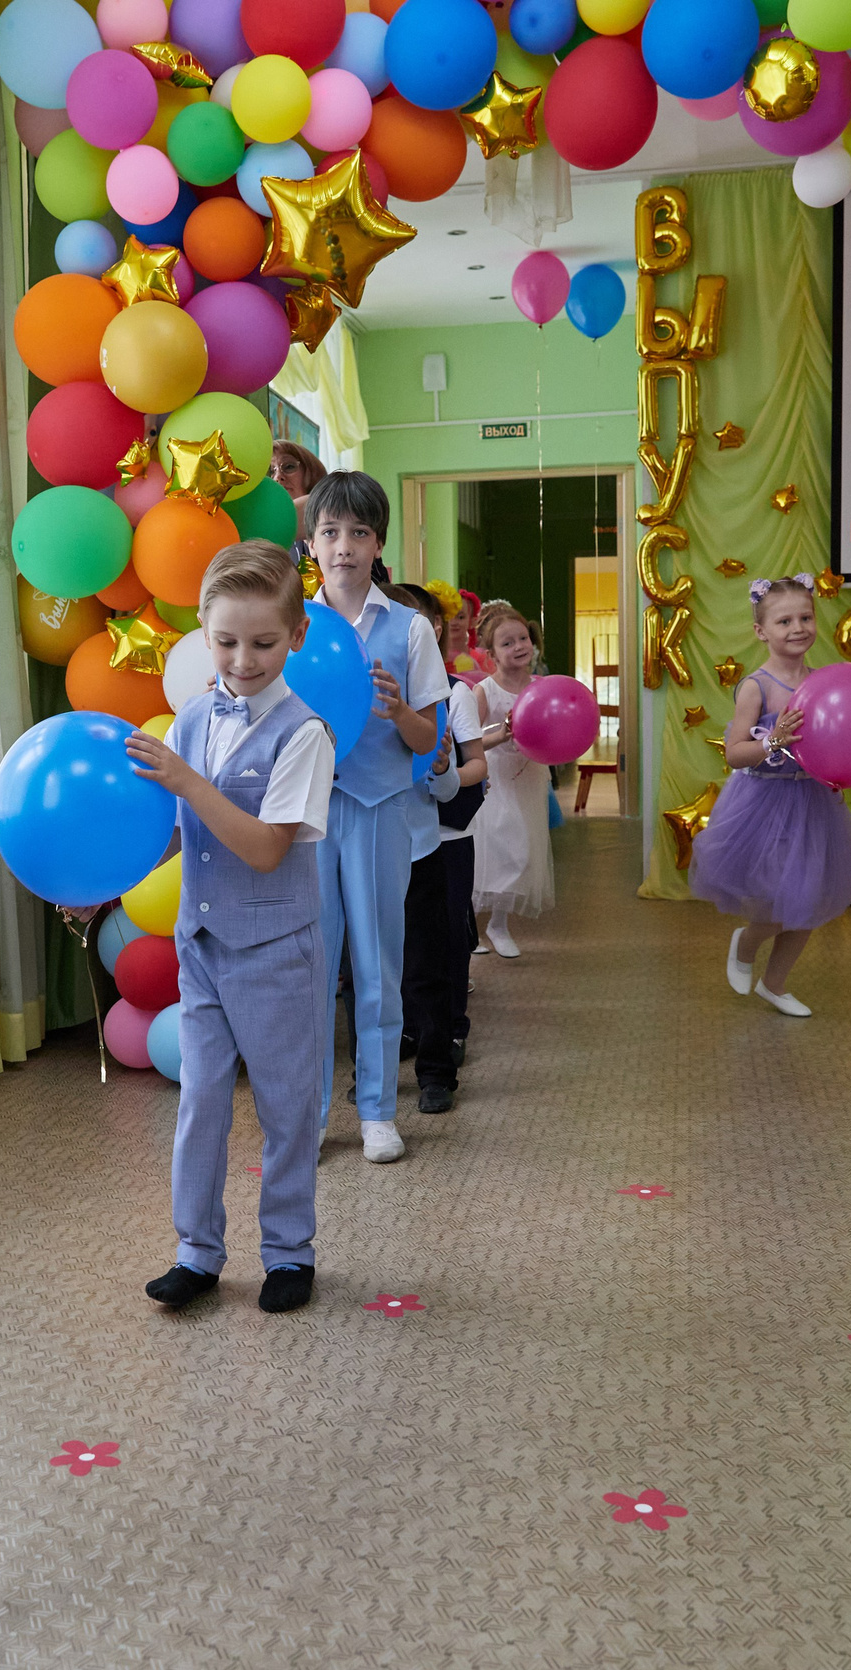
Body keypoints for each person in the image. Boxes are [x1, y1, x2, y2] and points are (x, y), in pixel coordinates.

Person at [126, 542, 338, 1315]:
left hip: (278, 948)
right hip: (203, 946)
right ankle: (197, 1250)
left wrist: (186, 781)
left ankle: (288, 1251)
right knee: (201, 1102)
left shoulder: (305, 734)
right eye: (225, 641)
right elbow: (179, 830)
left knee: (285, 1107)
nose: (242, 659)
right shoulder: (192, 718)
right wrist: (106, 878)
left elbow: (263, 845)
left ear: (297, 638)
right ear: (202, 633)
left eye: (263, 642)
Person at [304, 471, 449, 1162]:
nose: (344, 546)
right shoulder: (292, 623)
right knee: (308, 965)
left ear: (378, 543)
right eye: (330, 532)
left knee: (377, 962)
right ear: (311, 544)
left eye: (358, 532)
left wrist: (399, 713)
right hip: (305, 813)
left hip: (381, 808)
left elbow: (432, 744)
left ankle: (377, 1111)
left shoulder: (410, 627)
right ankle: (307, 1112)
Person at [689, 575, 851, 1017]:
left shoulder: (824, 682)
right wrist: (773, 741)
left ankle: (775, 984)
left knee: (810, 901)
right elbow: (734, 754)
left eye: (805, 617)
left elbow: (833, 741)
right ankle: (745, 943)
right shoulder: (756, 687)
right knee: (776, 900)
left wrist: (839, 770)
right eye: (784, 621)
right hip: (764, 805)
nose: (798, 627)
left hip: (814, 803)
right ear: (761, 631)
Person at [383, 583, 486, 1114]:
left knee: (441, 949)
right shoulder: (365, 692)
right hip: (383, 838)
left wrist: (440, 769)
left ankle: (441, 1048)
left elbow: (467, 771)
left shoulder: (453, 693)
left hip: (440, 838)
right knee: (386, 958)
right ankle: (400, 1043)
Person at [469, 601, 551, 958]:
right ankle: (467, 927)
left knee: (521, 852)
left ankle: (498, 923)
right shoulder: (485, 691)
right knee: (492, 851)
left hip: (529, 778)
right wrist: (502, 734)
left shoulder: (542, 687)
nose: (519, 646)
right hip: (494, 778)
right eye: (507, 643)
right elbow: (468, 740)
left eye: (523, 638)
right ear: (490, 654)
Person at [270, 440, 327, 549]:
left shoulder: (328, 505)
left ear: (311, 472)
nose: (278, 477)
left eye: (289, 467)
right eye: (270, 471)